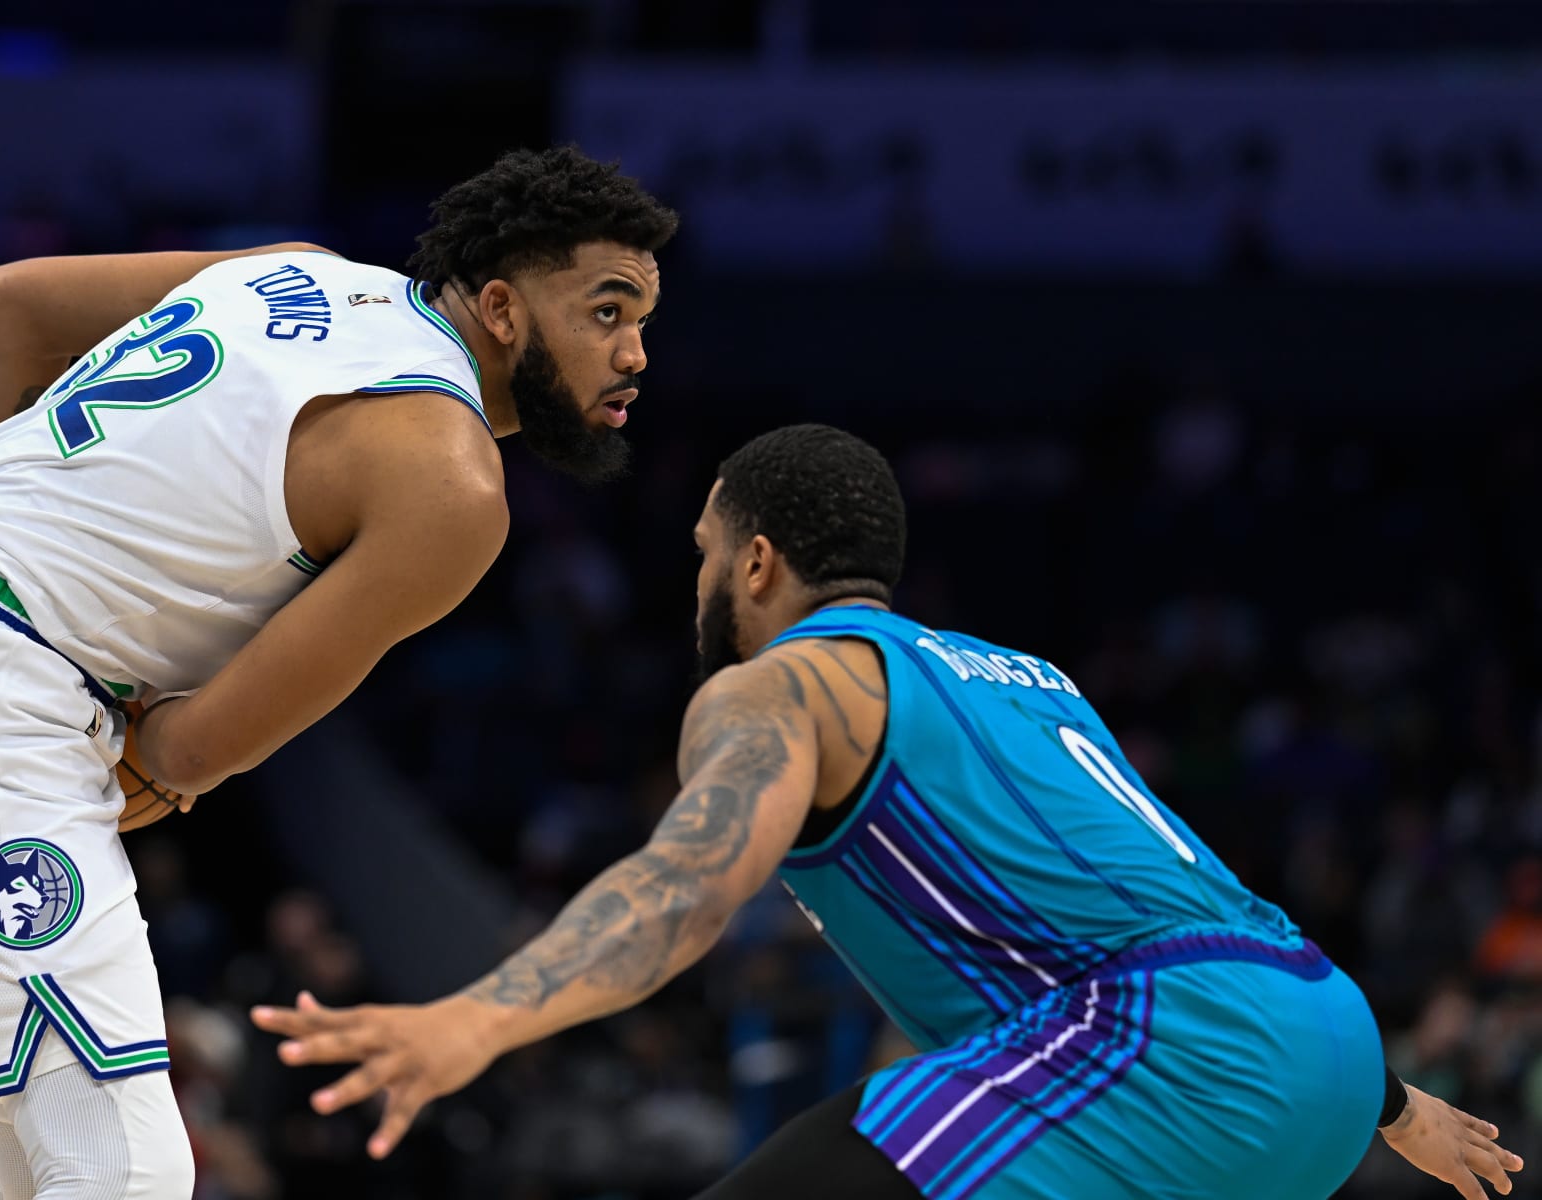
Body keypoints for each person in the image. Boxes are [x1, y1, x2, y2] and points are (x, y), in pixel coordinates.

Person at [253, 424, 1524, 1200]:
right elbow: (1165, 897)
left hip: (1170, 1053)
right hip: (1321, 1033)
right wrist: (1389, 1103)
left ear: (755, 561)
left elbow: (687, 887)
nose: (698, 577)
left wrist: (476, 1021)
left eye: (705, 550)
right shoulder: (1030, 677)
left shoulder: (783, 686)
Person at [0, 145, 673, 1199]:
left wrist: (18, 519)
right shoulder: (451, 481)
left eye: (641, 322)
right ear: (499, 307)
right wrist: (43, 604)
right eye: (606, 312)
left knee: (51, 1161)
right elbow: (184, 750)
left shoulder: (298, 269)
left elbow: (6, 303)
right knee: (130, 1169)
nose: (634, 354)